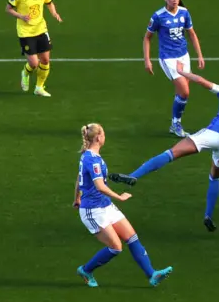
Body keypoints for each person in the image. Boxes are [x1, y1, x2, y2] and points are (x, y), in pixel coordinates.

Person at [112, 62, 219, 232]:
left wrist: (182, 72)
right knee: (214, 178)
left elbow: (201, 81)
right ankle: (208, 215)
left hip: (214, 133)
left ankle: (134, 176)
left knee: (172, 153)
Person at [74, 123, 173, 288]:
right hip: (93, 211)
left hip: (105, 205)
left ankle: (152, 274)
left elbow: (79, 178)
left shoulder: (87, 156)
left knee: (131, 236)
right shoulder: (93, 160)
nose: (105, 136)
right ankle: (86, 270)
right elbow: (99, 186)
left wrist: (76, 197)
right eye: (103, 133)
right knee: (116, 247)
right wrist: (119, 197)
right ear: (98, 138)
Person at [143, 0, 205, 137]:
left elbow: (192, 34)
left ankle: (175, 124)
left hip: (183, 56)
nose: (175, 0)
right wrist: (147, 60)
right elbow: (147, 38)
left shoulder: (184, 13)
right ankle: (176, 124)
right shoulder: (158, 16)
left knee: (181, 93)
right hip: (168, 57)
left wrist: (200, 55)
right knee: (185, 91)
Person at [6, 0, 62, 97]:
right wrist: (21, 16)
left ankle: (39, 87)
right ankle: (25, 73)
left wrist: (54, 13)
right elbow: (8, 9)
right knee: (34, 63)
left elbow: (49, 2)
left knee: (45, 60)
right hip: (25, 32)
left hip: (41, 29)